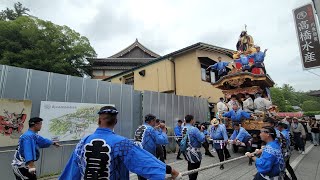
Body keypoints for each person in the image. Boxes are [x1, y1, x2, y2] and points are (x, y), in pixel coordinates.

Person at [59, 106, 181, 180]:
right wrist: (170, 170)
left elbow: (72, 171)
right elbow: (145, 160)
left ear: (98, 120)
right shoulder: (121, 143)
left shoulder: (82, 143)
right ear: (116, 121)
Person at [183, 115, 206, 180]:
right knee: (195, 168)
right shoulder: (194, 129)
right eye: (193, 119)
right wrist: (201, 131)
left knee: (190, 166)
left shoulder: (183, 128)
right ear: (191, 120)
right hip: (194, 152)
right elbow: (202, 139)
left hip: (186, 150)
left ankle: (190, 178)